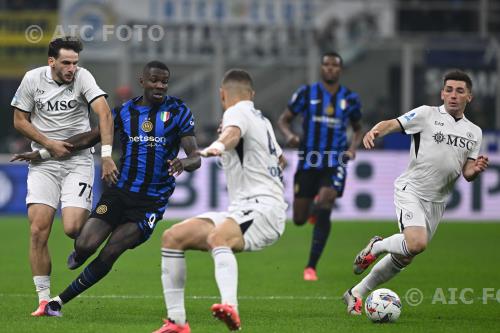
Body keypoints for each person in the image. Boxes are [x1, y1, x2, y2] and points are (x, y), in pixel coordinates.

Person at [15, 60, 201, 317]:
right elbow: (88, 138)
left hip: (150, 203)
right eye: (155, 80)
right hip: (120, 192)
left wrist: (184, 161)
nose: (160, 86)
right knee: (85, 245)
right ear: (143, 82)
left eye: (164, 81)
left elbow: (196, 156)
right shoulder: (124, 112)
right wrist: (44, 153)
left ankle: (57, 302)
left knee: (112, 249)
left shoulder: (178, 111)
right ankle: (80, 253)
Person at [343, 70, 489, 315]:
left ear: (469, 97)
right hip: (411, 189)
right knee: (416, 243)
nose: (453, 95)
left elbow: (467, 172)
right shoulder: (426, 114)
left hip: (437, 202)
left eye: (460, 91)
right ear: (442, 93)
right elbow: (393, 123)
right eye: (449, 90)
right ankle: (377, 246)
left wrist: (475, 169)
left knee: (405, 256)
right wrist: (375, 131)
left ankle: (355, 293)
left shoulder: (474, 132)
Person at [152, 69, 287, 333]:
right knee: (173, 237)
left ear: (222, 94)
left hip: (262, 207)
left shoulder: (235, 113)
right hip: (245, 207)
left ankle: (230, 307)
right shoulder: (262, 120)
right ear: (252, 94)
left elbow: (232, 135)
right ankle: (177, 322)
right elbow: (280, 160)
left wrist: (220, 145)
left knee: (218, 238)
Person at [10, 36, 117, 316]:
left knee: (71, 228)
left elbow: (104, 114)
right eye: (66, 63)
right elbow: (19, 120)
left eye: (75, 63)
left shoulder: (83, 78)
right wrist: (48, 144)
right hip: (44, 163)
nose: (72, 68)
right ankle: (44, 300)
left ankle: (103, 226)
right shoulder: (32, 80)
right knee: (37, 230)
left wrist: (106, 154)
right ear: (52, 62)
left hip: (78, 161)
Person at [277, 51, 363, 281]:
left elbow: (357, 128)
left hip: (334, 161)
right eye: (326, 65)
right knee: (298, 219)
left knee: (326, 199)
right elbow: (283, 119)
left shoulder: (350, 98)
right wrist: (289, 135)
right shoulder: (307, 93)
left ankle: (311, 267)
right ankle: (314, 209)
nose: (330, 69)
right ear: (321, 68)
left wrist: (353, 148)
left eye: (335, 65)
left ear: (340, 69)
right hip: (308, 160)